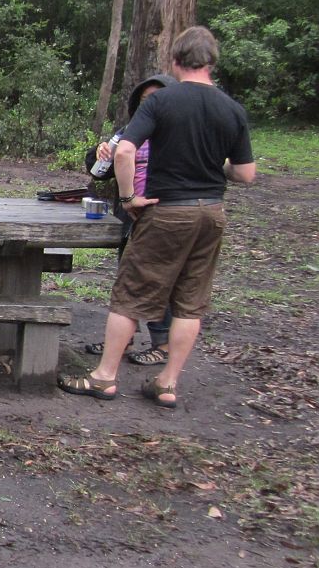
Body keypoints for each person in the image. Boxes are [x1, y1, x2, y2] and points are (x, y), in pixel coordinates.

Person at [60, 26, 256, 408]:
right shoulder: (232, 109)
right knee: (190, 302)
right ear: (212, 62)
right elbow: (245, 173)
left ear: (175, 61)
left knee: (130, 295)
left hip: (167, 211)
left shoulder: (162, 101)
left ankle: (104, 377)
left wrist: (129, 197)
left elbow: (123, 151)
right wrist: (217, 168)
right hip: (211, 213)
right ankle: (167, 383)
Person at [82, 73, 177, 366]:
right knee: (128, 279)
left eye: (158, 98)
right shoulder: (128, 131)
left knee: (156, 279)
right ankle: (123, 341)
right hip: (130, 215)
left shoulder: (176, 133)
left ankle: (163, 344)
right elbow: (98, 171)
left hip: (163, 214)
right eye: (146, 99)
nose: (152, 104)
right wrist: (98, 153)